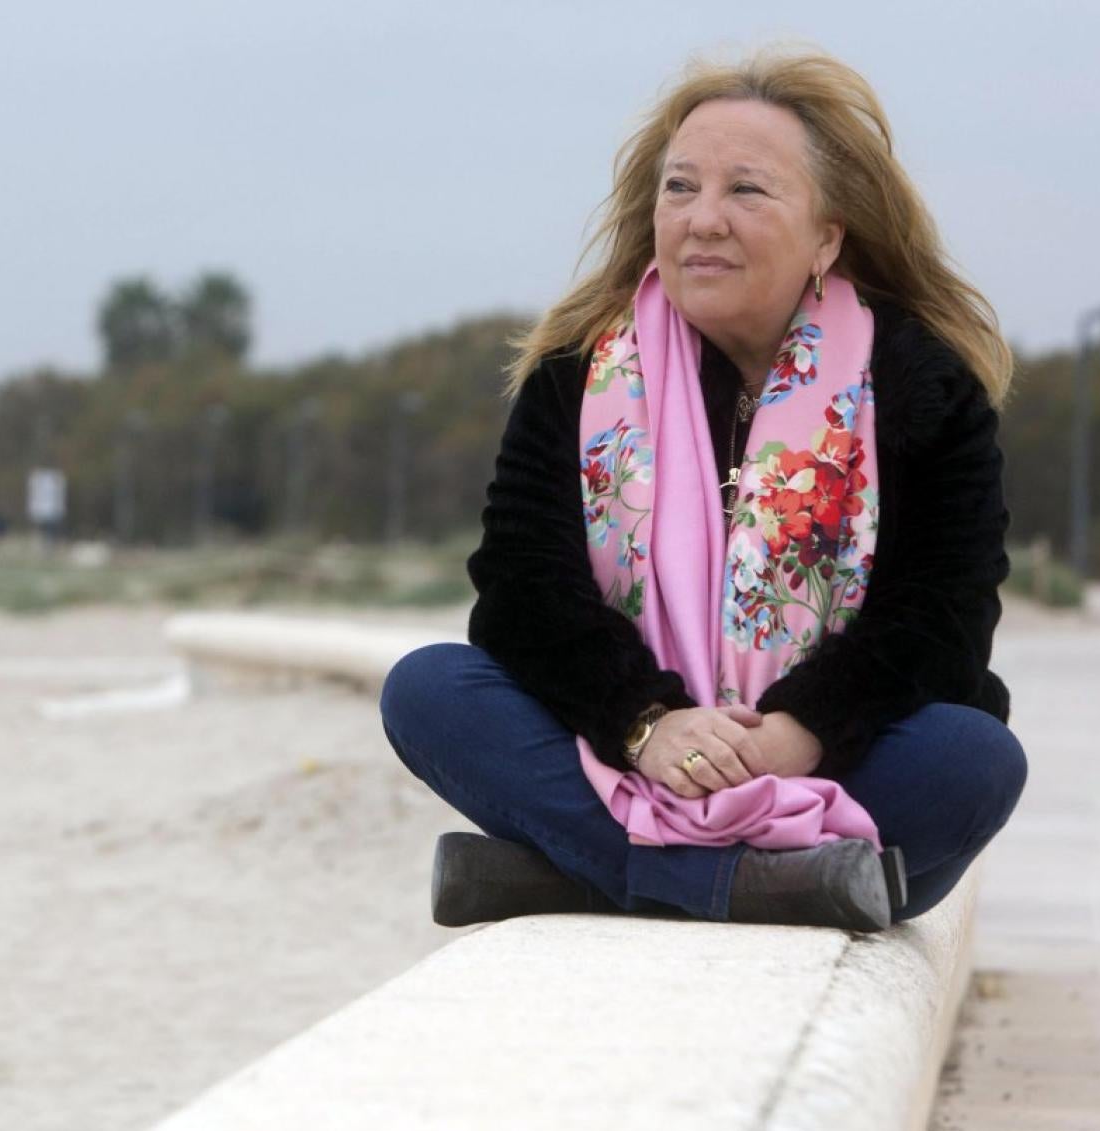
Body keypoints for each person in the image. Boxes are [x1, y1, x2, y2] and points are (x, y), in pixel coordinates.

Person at [379, 48, 1027, 933]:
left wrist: (796, 731)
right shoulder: (579, 374)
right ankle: (758, 886)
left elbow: (940, 617)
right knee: (429, 691)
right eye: (679, 188)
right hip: (629, 752)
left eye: (747, 192)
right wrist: (652, 726)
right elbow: (524, 596)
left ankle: (581, 874)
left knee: (972, 758)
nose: (702, 221)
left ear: (827, 235)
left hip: (829, 763)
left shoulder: (920, 383)